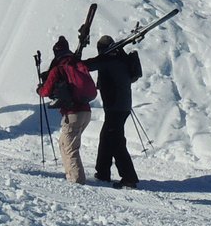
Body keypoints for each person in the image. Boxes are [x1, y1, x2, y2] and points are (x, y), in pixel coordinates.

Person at [37, 36, 98, 185]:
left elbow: (45, 91)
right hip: (86, 112)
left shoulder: (59, 68)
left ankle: (77, 182)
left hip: (72, 114)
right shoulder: (77, 64)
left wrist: (39, 89)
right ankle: (71, 176)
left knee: (70, 148)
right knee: (64, 144)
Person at [82, 34, 141, 188]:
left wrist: (72, 60)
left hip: (115, 107)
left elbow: (87, 66)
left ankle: (129, 178)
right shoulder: (120, 57)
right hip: (120, 106)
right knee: (107, 137)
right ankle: (102, 172)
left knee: (116, 141)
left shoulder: (108, 60)